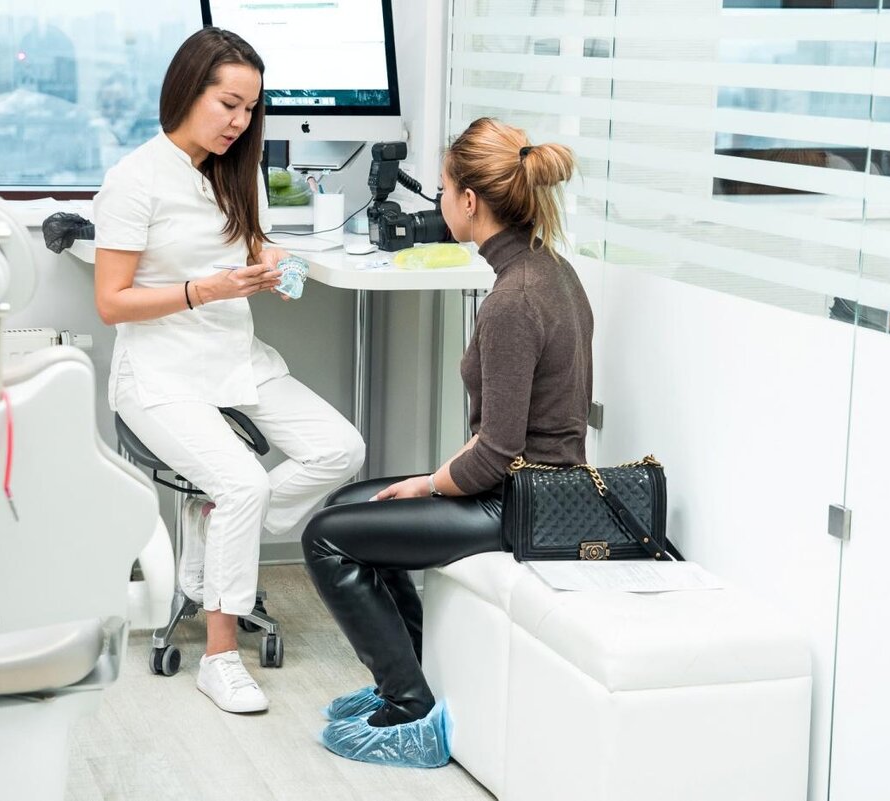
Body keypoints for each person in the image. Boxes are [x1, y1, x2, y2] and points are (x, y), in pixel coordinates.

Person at [301, 117, 588, 767]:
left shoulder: (514, 299)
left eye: (442, 188)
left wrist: (430, 483)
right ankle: (418, 676)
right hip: (529, 488)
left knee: (326, 537)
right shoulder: (549, 269)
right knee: (351, 504)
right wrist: (430, 483)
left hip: (521, 503)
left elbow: (498, 451)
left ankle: (407, 705)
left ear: (470, 201)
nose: (436, 200)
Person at [93, 27, 364, 716]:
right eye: (229, 104)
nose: (240, 122)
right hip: (159, 373)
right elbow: (111, 302)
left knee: (340, 448)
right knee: (245, 482)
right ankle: (219, 658)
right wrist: (201, 290)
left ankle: (216, 527)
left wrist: (274, 266)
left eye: (250, 109)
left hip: (235, 356)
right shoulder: (134, 180)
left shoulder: (235, 172)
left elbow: (254, 248)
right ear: (189, 92)